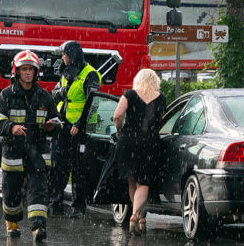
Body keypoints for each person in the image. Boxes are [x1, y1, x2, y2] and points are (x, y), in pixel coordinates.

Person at [0, 50, 62, 242]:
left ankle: (38, 227)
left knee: (38, 190)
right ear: (17, 71)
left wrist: (52, 126)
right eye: (24, 69)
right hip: (13, 151)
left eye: (31, 69)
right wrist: (11, 127)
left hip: (37, 152)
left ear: (36, 72)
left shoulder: (44, 97)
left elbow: (56, 120)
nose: (28, 73)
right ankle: (12, 223)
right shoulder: (7, 95)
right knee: (11, 191)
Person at [49, 41, 102, 219]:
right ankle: (55, 202)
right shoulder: (65, 72)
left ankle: (78, 207)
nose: (62, 57)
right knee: (58, 166)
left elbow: (92, 103)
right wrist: (61, 92)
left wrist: (79, 124)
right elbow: (54, 93)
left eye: (64, 54)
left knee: (79, 170)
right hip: (62, 126)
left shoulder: (90, 74)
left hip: (81, 131)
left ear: (72, 55)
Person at [112, 68, 167, 234]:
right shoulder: (161, 98)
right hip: (149, 142)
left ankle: (138, 215)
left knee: (131, 179)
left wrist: (118, 129)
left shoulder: (129, 94)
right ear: (155, 81)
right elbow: (161, 120)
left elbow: (118, 115)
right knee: (143, 182)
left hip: (128, 141)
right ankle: (137, 215)